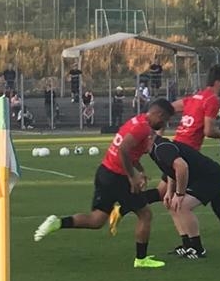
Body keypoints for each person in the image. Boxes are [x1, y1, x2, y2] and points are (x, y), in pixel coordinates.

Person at [33, 99, 175, 269]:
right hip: (118, 177)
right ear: (159, 114)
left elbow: (129, 152)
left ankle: (57, 223)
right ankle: (141, 259)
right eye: (165, 119)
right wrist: (132, 176)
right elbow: (123, 150)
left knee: (97, 220)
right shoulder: (142, 128)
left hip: (105, 172)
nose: (164, 124)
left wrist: (140, 170)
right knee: (145, 214)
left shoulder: (137, 121)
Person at [147, 132, 220, 260]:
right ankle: (187, 245)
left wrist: (179, 194)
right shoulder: (156, 149)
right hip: (199, 178)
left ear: (148, 138)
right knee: (172, 205)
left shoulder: (161, 148)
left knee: (183, 205)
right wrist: (169, 191)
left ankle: (197, 248)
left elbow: (182, 167)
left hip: (212, 177)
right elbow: (171, 170)